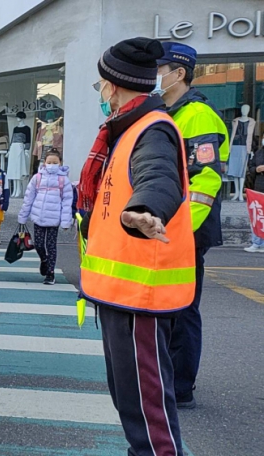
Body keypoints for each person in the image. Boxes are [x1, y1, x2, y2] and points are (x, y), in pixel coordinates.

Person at [79, 37, 196, 456]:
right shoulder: (123, 131)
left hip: (138, 295)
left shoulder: (151, 130)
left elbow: (159, 177)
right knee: (132, 401)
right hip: (119, 293)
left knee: (147, 409)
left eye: (101, 85)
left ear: (114, 86)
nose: (101, 92)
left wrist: (147, 210)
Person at [156, 42, 228, 409]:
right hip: (170, 227)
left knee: (182, 310)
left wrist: (179, 230)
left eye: (159, 69)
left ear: (179, 73)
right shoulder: (172, 111)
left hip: (187, 230)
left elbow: (206, 181)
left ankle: (181, 388)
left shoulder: (197, 114)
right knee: (169, 308)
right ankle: (169, 380)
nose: (155, 76)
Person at [17, 150, 73, 285]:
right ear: (44, 163)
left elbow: (67, 202)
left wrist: (66, 222)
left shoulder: (63, 180)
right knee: (39, 244)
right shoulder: (37, 178)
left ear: (60, 163)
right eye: (49, 162)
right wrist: (22, 216)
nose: (52, 165)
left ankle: (50, 273)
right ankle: (44, 260)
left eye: (55, 162)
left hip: (54, 219)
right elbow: (29, 198)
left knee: (51, 245)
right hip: (38, 217)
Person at [246, 139, 264, 253]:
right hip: (258, 189)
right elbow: (250, 168)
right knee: (256, 217)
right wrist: (256, 169)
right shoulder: (258, 152)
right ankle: (256, 243)